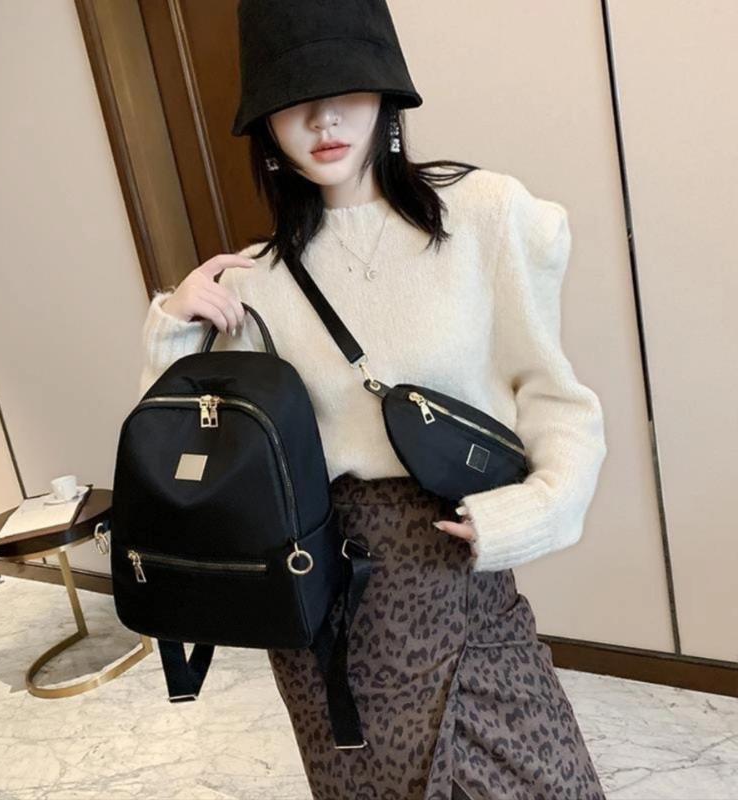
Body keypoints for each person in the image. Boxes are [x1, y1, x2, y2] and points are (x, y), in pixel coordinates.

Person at [138, 2, 608, 798]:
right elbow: (206, 462)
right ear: (266, 126)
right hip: (333, 600)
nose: (322, 120)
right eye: (294, 100)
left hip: (458, 573)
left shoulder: (486, 217)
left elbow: (554, 398)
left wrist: (530, 512)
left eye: (345, 90)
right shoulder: (257, 281)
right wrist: (175, 327)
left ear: (387, 95)